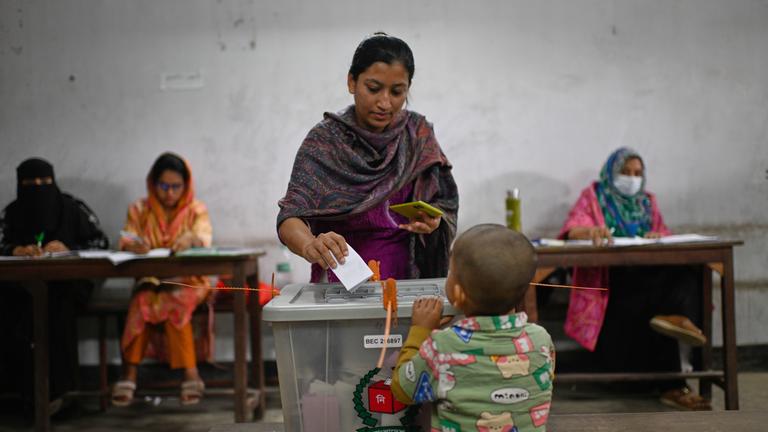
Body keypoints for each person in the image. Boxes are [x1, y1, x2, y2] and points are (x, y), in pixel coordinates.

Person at [277, 32, 458, 282]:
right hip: (339, 282)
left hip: (408, 283)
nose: (385, 103)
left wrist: (434, 224)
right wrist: (309, 245)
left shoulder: (417, 136)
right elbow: (290, 216)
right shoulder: (325, 142)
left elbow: (444, 206)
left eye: (397, 92)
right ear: (352, 82)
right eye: (373, 88)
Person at [559, 147, 710, 410]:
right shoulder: (594, 197)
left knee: (686, 272)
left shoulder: (647, 202)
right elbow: (572, 230)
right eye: (625, 172)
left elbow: (663, 233)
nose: (632, 178)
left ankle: (676, 322)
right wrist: (590, 231)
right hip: (612, 283)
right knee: (662, 301)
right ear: (611, 172)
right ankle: (675, 377)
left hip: (649, 278)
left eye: (638, 173)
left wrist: (656, 237)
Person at [391, 224, 555, 431]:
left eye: (451, 272)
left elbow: (403, 390)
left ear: (458, 294)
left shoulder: (442, 345)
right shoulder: (541, 340)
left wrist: (420, 331)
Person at [0, 157, 109, 415]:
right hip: (21, 288)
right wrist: (15, 249)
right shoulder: (12, 213)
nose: (38, 188)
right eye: (30, 183)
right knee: (12, 308)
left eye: (45, 182)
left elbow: (101, 242)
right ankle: (24, 393)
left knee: (57, 304)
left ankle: (63, 393)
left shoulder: (72, 208)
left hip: (68, 286)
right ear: (19, 185)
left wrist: (69, 248)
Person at [111, 152, 213, 407]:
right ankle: (130, 374)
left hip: (189, 280)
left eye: (175, 186)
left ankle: (191, 373)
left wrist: (190, 239)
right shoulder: (139, 209)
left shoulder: (195, 210)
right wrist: (133, 245)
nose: (169, 193)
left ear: (185, 185)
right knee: (142, 299)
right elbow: (125, 239)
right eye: (163, 186)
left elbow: (204, 239)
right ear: (152, 184)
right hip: (151, 279)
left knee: (173, 298)